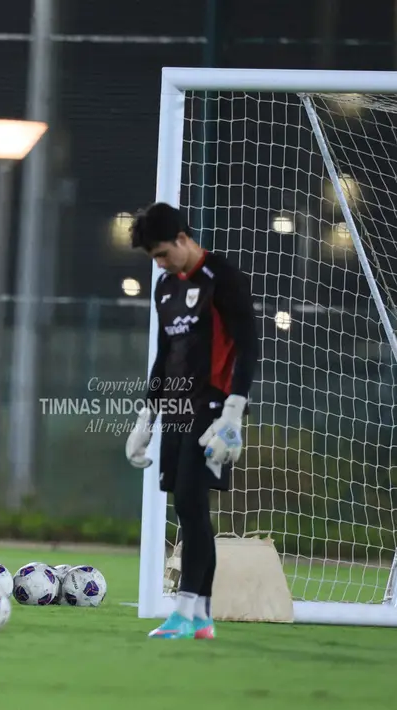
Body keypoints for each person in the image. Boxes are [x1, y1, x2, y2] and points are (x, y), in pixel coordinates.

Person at [124, 202, 259, 640]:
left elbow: (248, 345)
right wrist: (148, 415)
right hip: (178, 408)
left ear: (183, 238)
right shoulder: (166, 287)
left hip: (215, 408)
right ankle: (200, 618)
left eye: (163, 253)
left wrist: (235, 412)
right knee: (188, 508)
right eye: (153, 258)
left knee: (190, 497)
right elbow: (165, 356)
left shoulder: (222, 277)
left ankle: (185, 612)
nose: (159, 264)